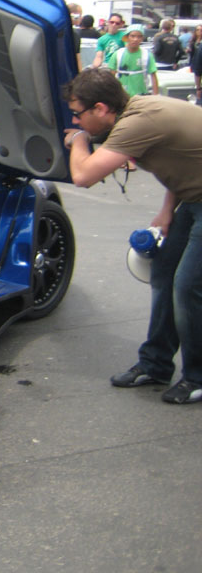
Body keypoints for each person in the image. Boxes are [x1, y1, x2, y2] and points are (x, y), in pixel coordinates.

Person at [64, 67, 202, 404]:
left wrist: (78, 142)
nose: (78, 122)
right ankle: (155, 364)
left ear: (100, 108)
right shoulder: (137, 110)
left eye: (78, 114)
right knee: (164, 273)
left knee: (188, 286)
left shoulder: (136, 123)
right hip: (193, 196)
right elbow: (182, 160)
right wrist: (168, 209)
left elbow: (83, 175)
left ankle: (198, 377)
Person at [107, 25, 158, 96]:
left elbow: (153, 76)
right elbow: (111, 77)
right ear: (127, 37)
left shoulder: (147, 55)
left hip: (141, 96)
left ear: (142, 38)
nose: (135, 39)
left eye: (139, 37)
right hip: (122, 96)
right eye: (132, 36)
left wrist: (155, 95)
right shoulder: (118, 54)